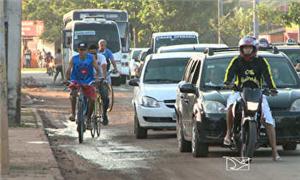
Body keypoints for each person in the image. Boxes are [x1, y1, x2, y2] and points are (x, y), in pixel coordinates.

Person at [223, 36, 281, 161]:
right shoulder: (236, 61)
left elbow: (268, 76)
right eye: (245, 48)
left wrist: (272, 88)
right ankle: (228, 133)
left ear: (255, 49)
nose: (247, 51)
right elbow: (229, 73)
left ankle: (275, 152)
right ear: (241, 49)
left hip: (257, 92)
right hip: (239, 91)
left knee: (268, 120)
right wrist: (228, 82)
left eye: (250, 48)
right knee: (230, 106)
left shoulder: (261, 61)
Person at [65, 42, 99, 130]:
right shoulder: (74, 59)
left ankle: (88, 119)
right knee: (73, 94)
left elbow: (97, 68)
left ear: (87, 50)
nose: (82, 52)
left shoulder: (91, 58)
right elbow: (69, 70)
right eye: (80, 50)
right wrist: (66, 79)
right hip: (76, 80)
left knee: (92, 99)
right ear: (78, 50)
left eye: (84, 50)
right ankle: (73, 114)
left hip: (88, 81)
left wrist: (97, 77)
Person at [88, 44, 110, 125]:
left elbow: (104, 67)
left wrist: (104, 78)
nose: (93, 55)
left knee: (105, 97)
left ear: (97, 51)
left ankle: (104, 114)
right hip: (90, 80)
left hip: (100, 79)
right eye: (91, 54)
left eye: (94, 53)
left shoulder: (102, 57)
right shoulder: (86, 59)